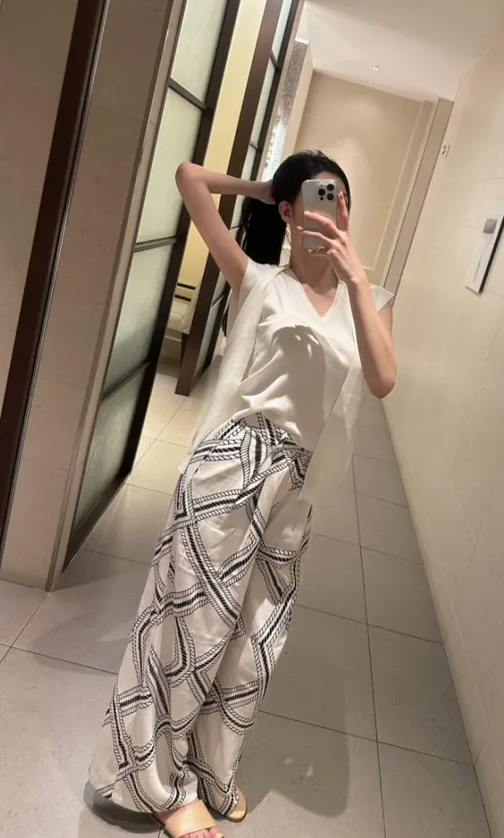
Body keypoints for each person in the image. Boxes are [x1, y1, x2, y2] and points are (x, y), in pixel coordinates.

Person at [89, 151, 397, 838]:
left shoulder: (372, 300)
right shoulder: (259, 279)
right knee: (192, 629)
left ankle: (211, 768)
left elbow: (382, 380)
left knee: (256, 640)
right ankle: (163, 787)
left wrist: (354, 274)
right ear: (288, 212)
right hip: (232, 467)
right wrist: (266, 187)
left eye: (340, 199)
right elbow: (189, 179)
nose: (331, 211)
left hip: (297, 490)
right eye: (316, 199)